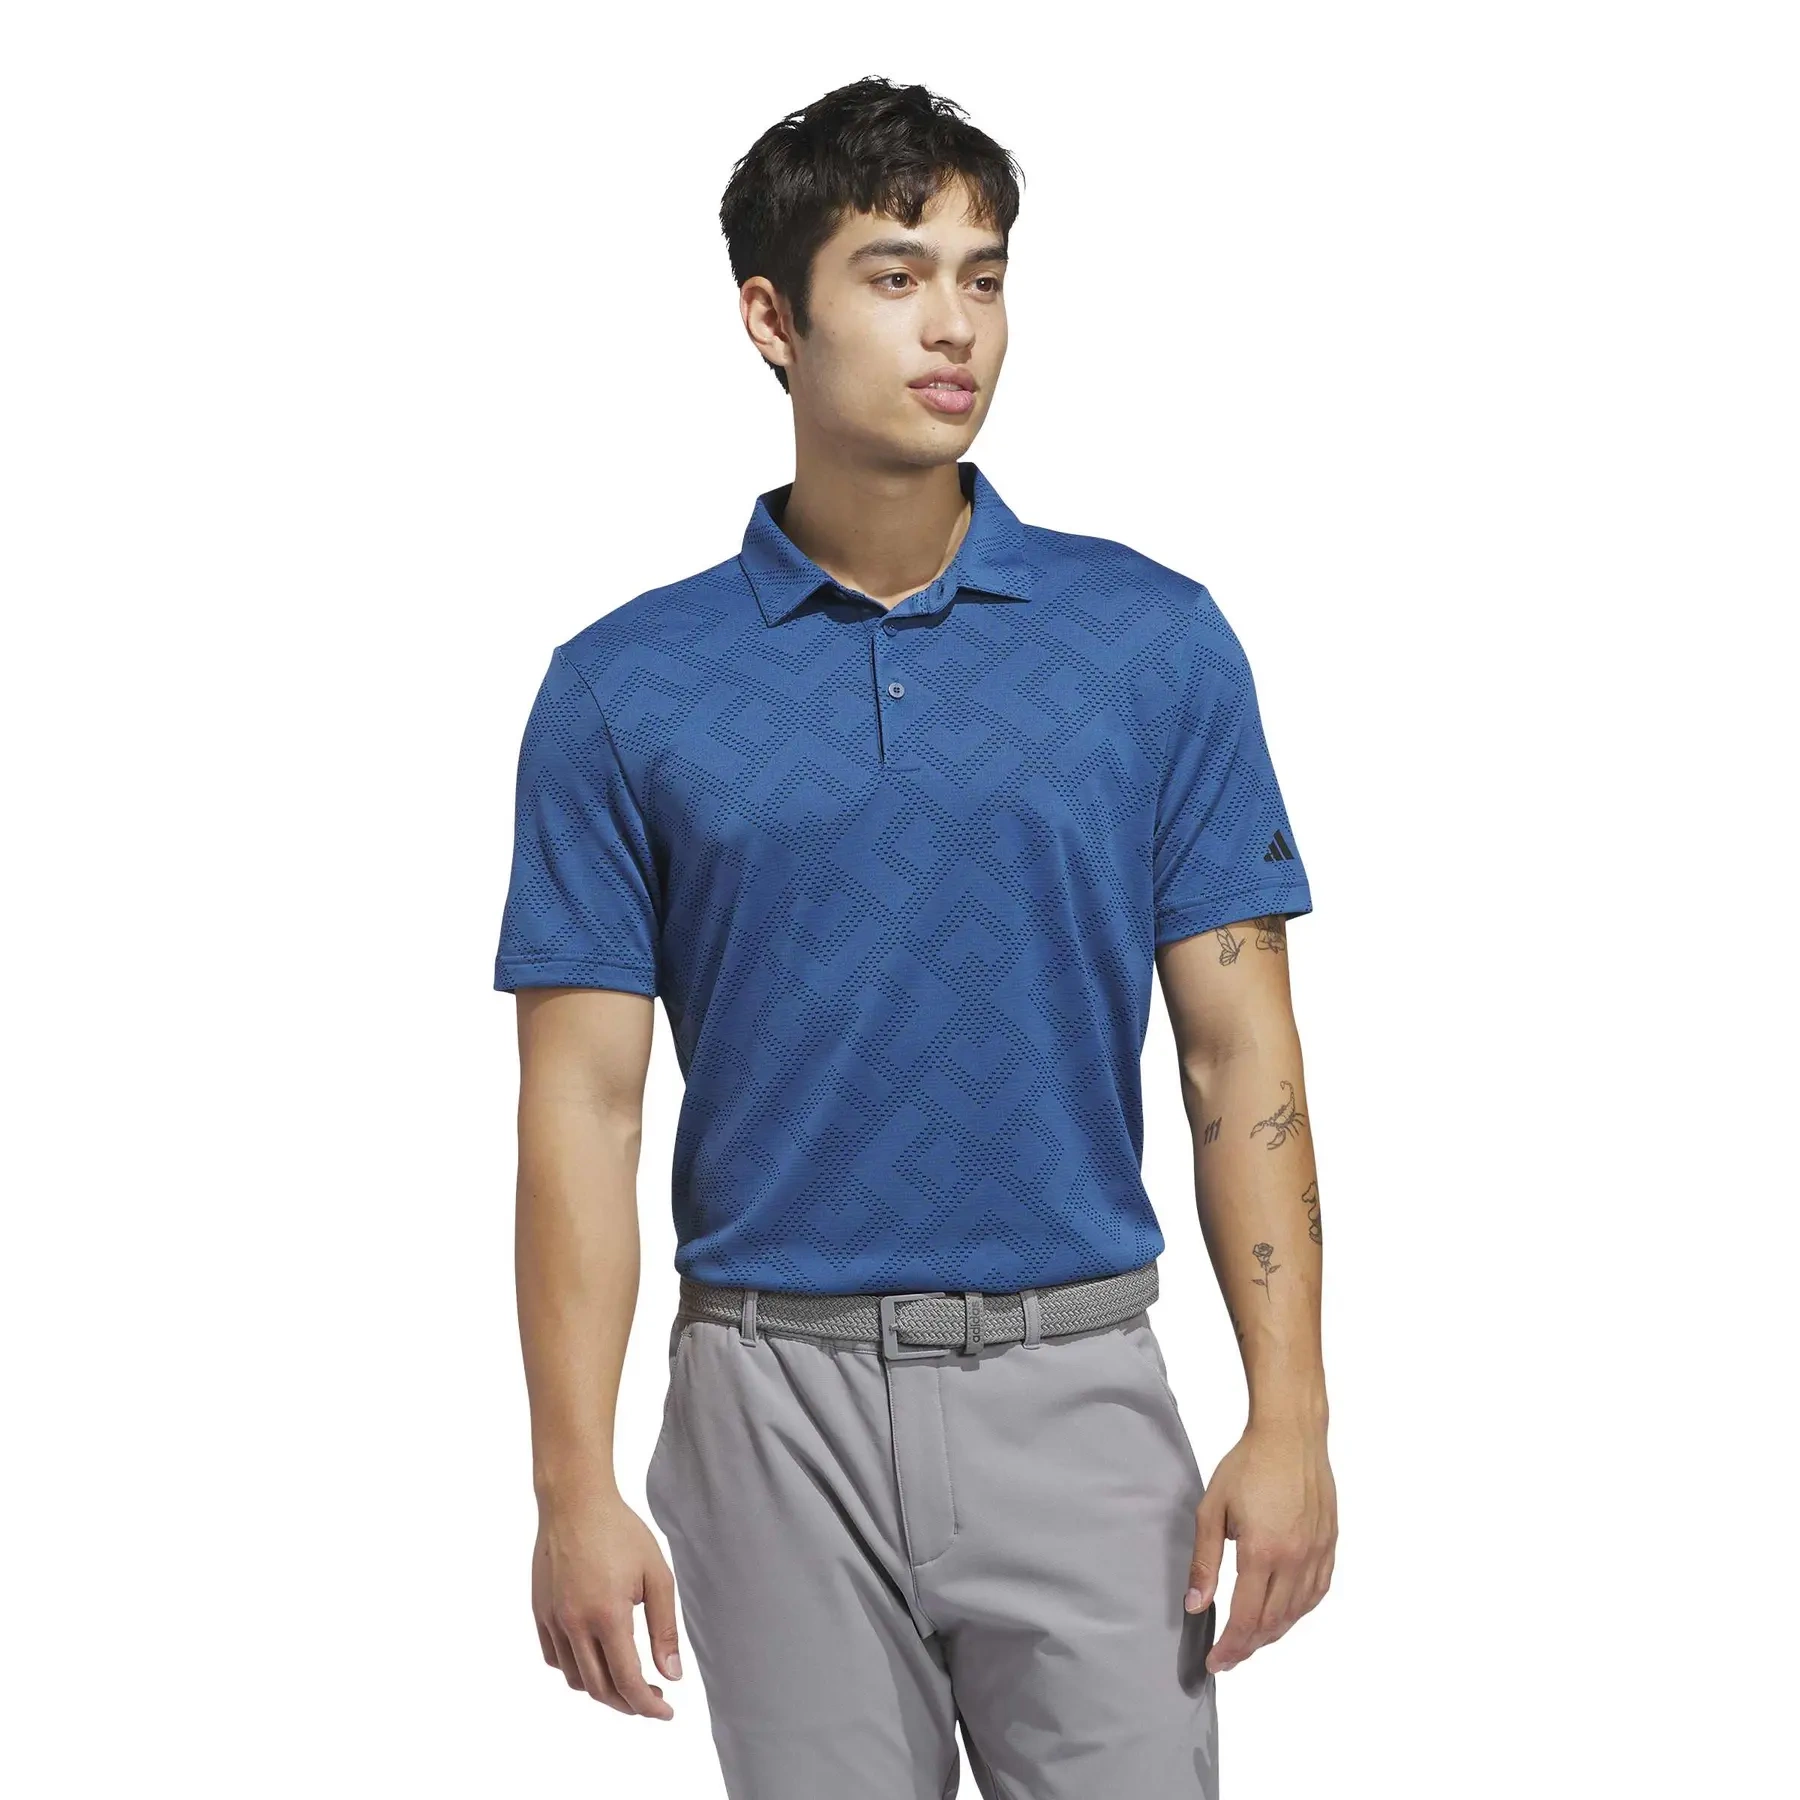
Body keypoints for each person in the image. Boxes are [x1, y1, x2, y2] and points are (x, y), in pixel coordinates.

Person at [493, 75, 1336, 1800]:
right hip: (766, 1408)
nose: (955, 324)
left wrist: (1294, 1415)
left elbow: (1240, 1054)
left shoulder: (1151, 645)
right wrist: (572, 1483)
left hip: (1078, 1380)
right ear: (771, 319)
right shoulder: (622, 690)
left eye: (984, 274)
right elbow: (581, 1107)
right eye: (894, 275)